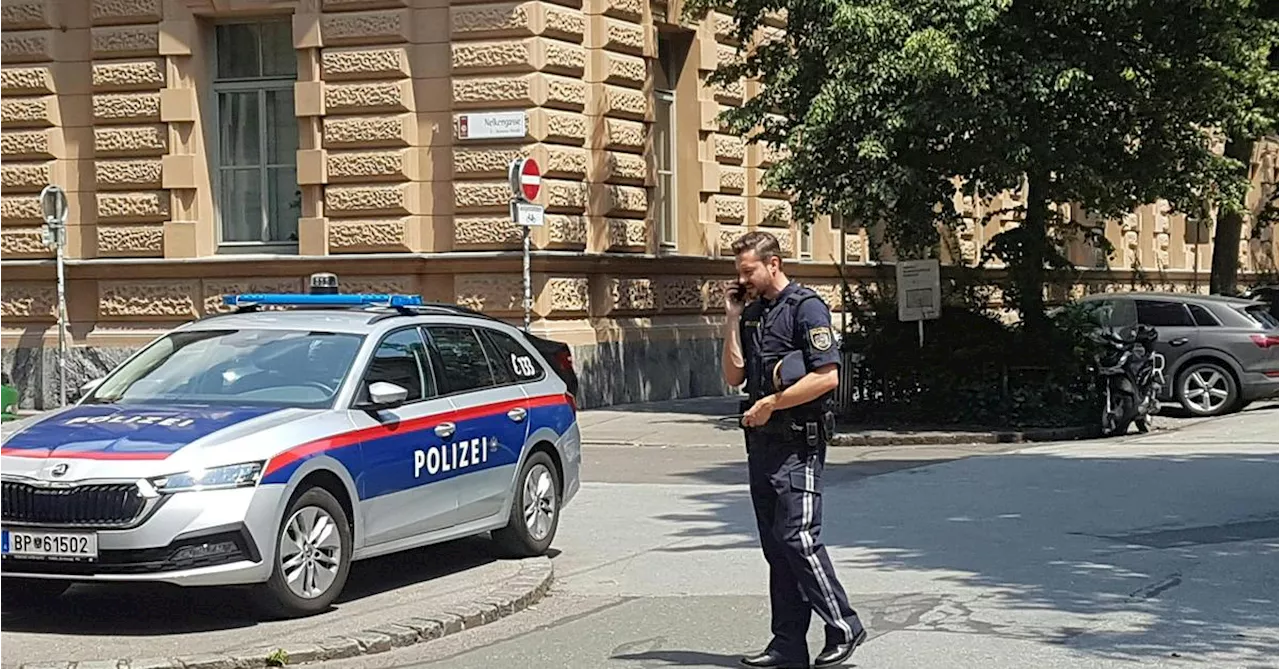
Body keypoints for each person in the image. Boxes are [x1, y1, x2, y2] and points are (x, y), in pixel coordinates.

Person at [721, 230, 867, 669]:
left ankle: (844, 624)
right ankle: (787, 645)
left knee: (798, 538)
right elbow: (733, 377)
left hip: (798, 443)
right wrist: (731, 318)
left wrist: (772, 403)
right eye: (739, 272)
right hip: (761, 445)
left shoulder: (806, 308)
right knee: (776, 547)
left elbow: (827, 376)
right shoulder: (752, 315)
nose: (743, 279)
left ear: (774, 264)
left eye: (749, 271)